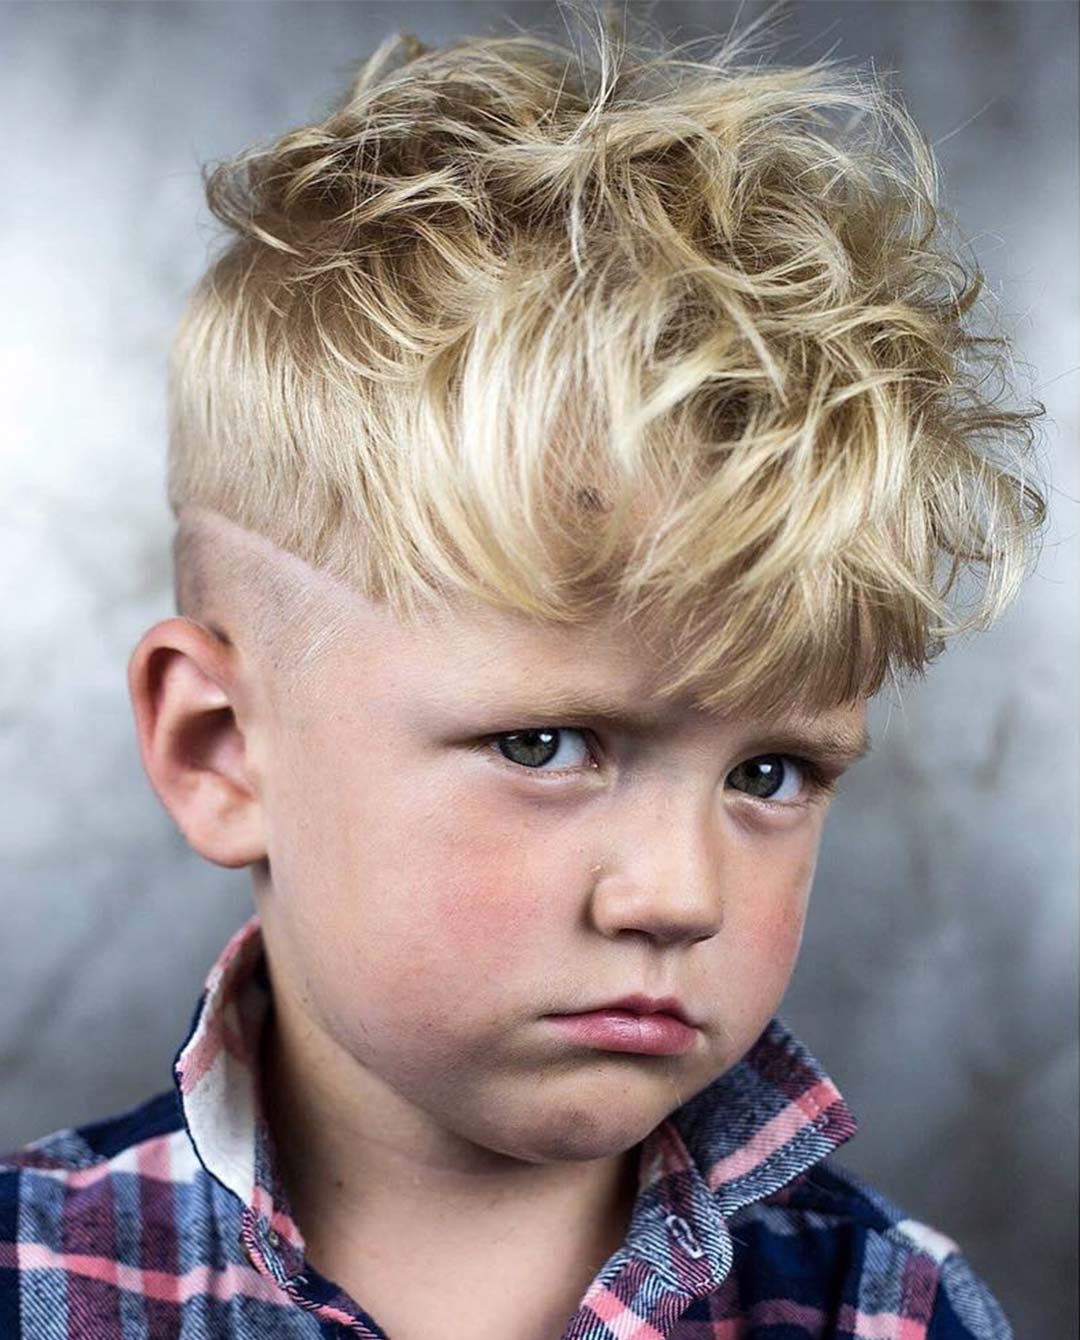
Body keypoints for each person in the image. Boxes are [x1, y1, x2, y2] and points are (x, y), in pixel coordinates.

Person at [0, 13, 1046, 1340]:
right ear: (220, 751)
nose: (681, 896)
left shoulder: (888, 1312)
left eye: (769, 774)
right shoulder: (32, 1287)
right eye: (548, 746)